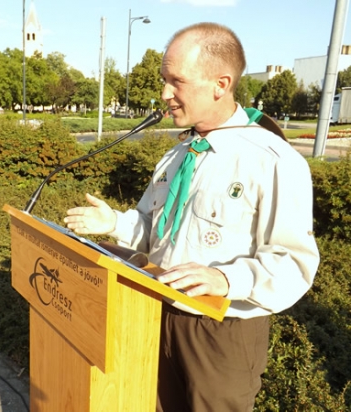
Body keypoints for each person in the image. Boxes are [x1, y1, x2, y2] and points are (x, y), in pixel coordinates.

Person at [64, 22, 320, 412]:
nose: (165, 94)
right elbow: (156, 231)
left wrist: (225, 279)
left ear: (221, 84)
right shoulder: (177, 155)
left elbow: (294, 262)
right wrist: (114, 223)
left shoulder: (272, 160)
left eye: (177, 81)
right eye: (164, 80)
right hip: (155, 309)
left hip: (221, 330)